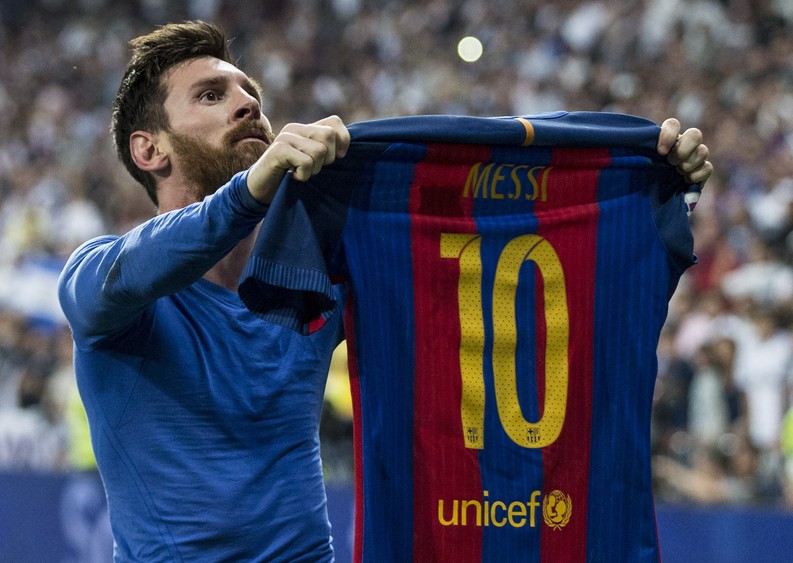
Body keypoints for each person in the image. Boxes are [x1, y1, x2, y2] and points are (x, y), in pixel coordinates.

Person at [57, 20, 713, 562]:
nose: (246, 103)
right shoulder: (101, 282)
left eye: (248, 91)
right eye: (209, 95)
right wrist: (253, 191)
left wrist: (639, 186)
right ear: (149, 150)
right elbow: (146, 260)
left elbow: (487, 231)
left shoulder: (313, 278)